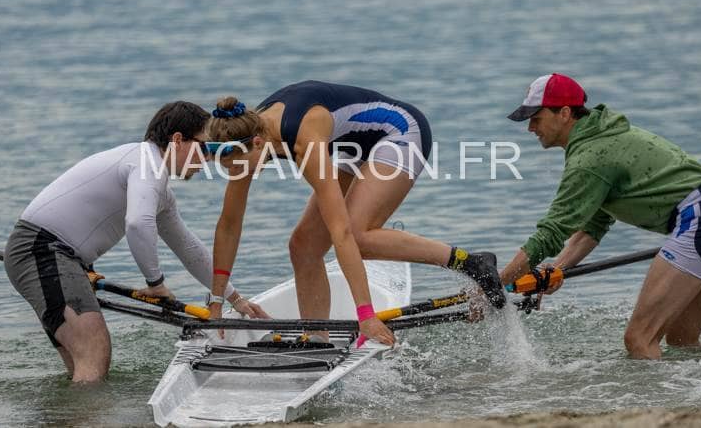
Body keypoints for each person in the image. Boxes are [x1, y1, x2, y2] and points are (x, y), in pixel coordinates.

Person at [203, 80, 505, 346]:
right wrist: (217, 300)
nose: (236, 173)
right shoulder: (241, 138)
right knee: (303, 246)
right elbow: (229, 225)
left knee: (358, 236)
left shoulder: (304, 141)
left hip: (398, 131)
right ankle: (316, 338)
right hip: (351, 143)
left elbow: (342, 231)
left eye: (237, 166)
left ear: (257, 143)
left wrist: (366, 315)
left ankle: (472, 262)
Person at [4, 101, 268, 382]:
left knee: (82, 363)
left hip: (57, 257)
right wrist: (156, 284)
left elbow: (188, 248)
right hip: (41, 250)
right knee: (94, 350)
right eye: (204, 147)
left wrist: (234, 298)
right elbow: (137, 223)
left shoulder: (154, 182)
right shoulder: (146, 163)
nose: (208, 159)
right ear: (178, 140)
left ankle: (75, 409)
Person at [500, 73, 701, 359]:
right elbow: (593, 226)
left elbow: (551, 233)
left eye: (536, 118)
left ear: (565, 113)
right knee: (683, 339)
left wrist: (495, 286)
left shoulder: (589, 158)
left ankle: (654, 392)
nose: (530, 128)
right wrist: (555, 270)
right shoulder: (602, 137)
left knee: (639, 339)